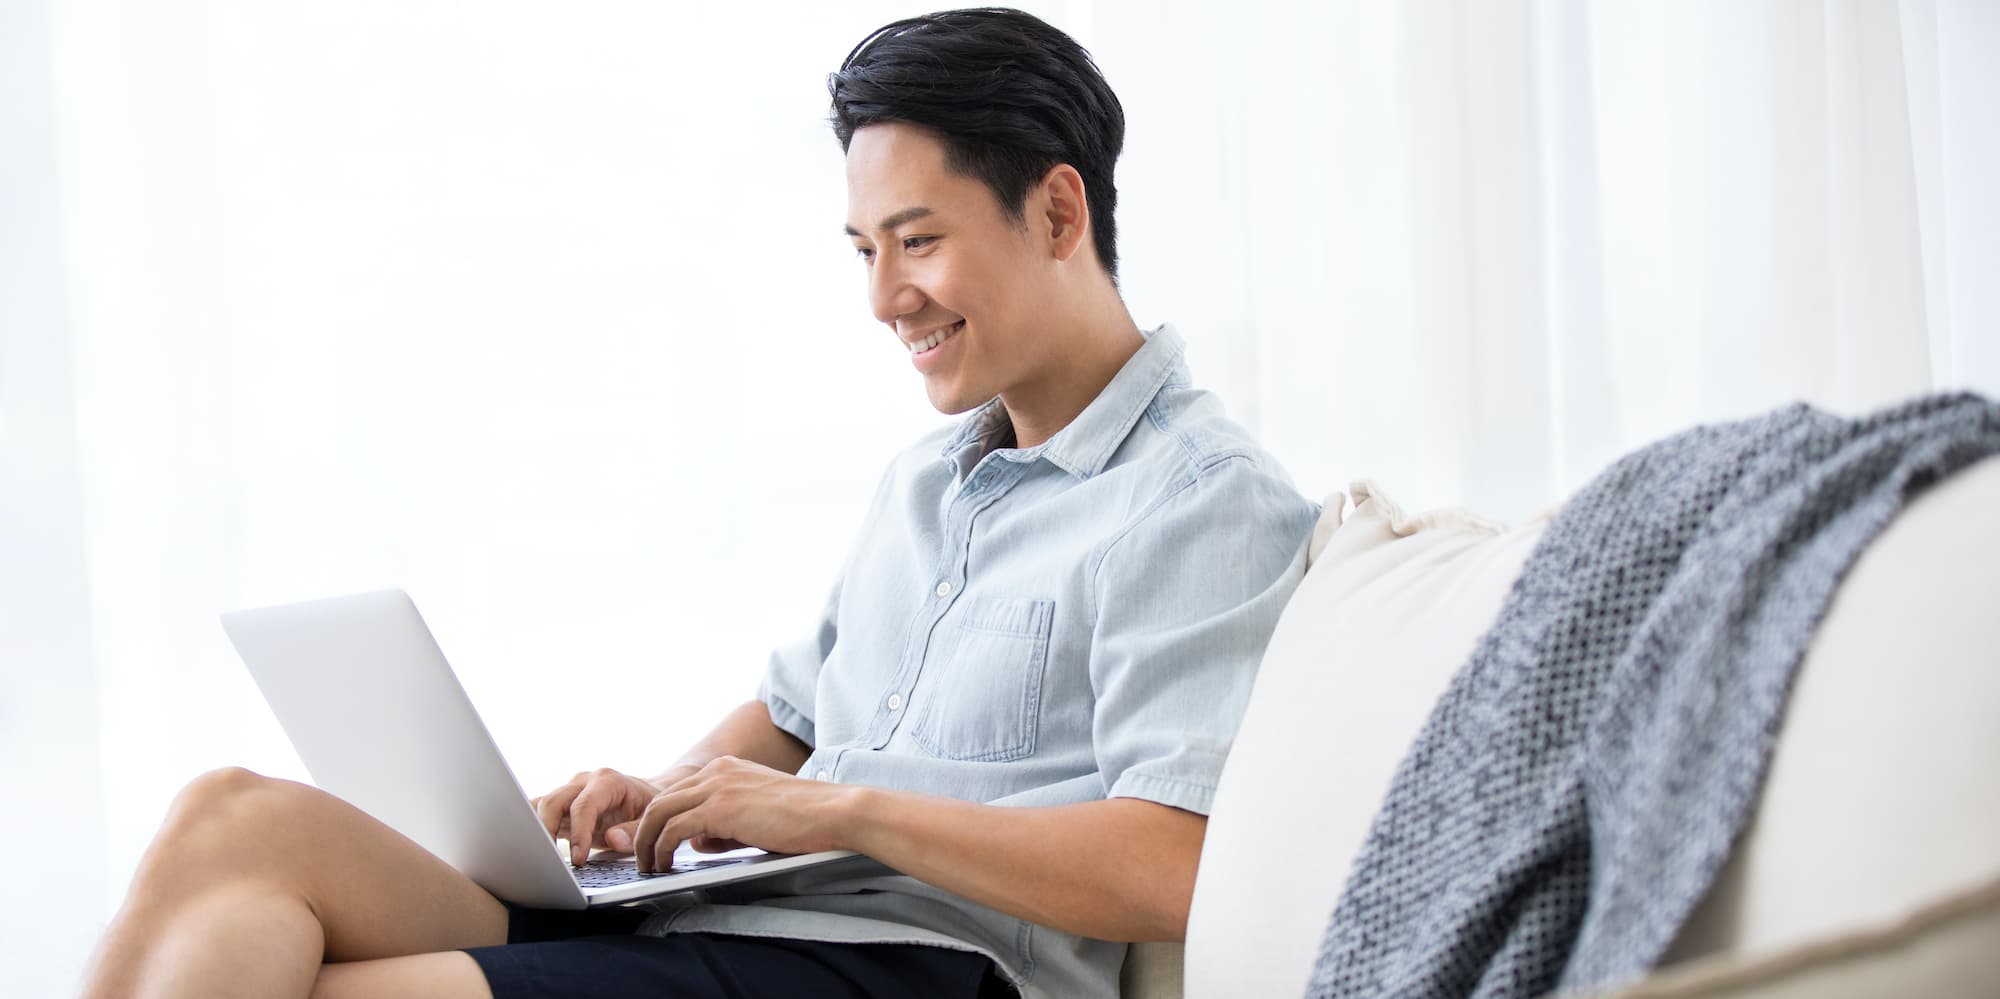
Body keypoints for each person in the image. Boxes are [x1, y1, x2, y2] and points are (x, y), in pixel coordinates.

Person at [79, 8, 1320, 999]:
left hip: (918, 964)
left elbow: (1178, 863)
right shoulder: (925, 484)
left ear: (1057, 211)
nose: (885, 297)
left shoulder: (1197, 502)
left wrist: (830, 811)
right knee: (228, 821)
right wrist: (666, 794)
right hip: (744, 914)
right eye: (862, 251)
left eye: (917, 240)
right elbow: (787, 721)